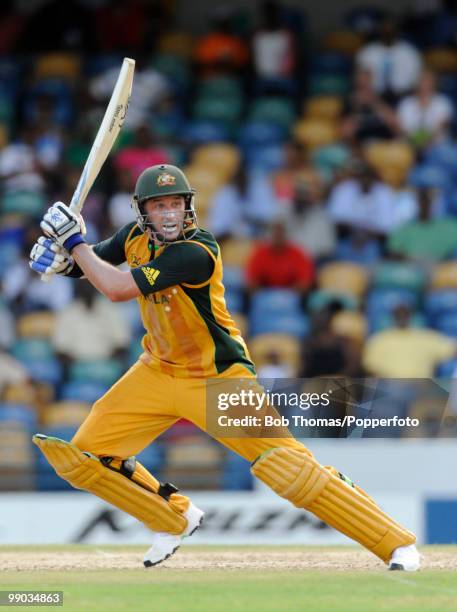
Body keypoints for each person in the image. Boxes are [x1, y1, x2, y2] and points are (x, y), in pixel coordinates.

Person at [29, 163, 419, 571]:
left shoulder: (197, 251)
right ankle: (174, 517)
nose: (167, 214)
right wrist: (60, 261)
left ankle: (396, 544)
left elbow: (115, 287)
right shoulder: (132, 238)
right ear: (143, 212)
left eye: (175, 204)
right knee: (87, 457)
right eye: (158, 205)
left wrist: (72, 241)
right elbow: (92, 267)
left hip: (216, 378)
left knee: (287, 470)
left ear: (188, 208)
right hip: (156, 370)